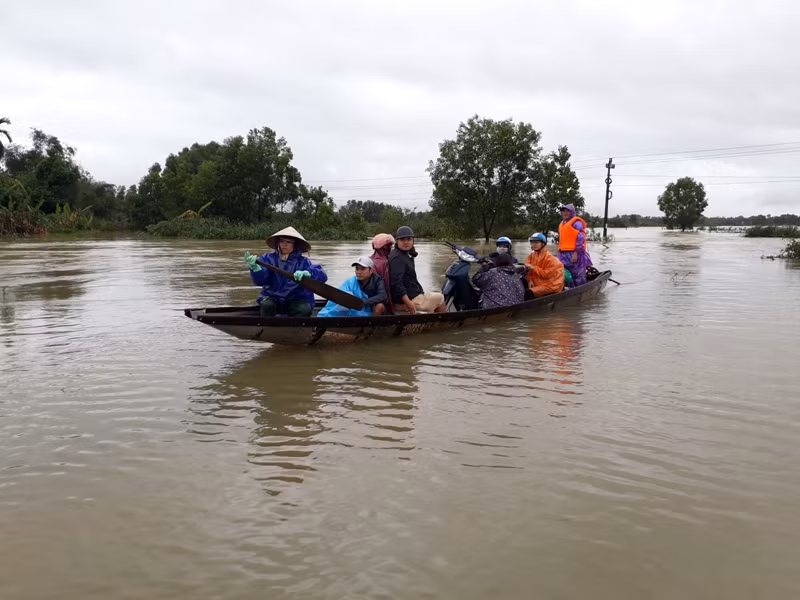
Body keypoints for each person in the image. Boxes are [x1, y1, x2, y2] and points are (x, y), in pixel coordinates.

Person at [243, 226, 327, 317]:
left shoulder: (303, 261)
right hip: (273, 298)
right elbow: (260, 281)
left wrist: (309, 273)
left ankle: (297, 330)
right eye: (282, 241)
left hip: (297, 300)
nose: (284, 245)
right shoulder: (267, 258)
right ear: (278, 243)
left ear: (295, 245)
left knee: (304, 309)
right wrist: (255, 268)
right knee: (267, 305)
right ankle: (268, 328)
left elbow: (322, 276)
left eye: (288, 242)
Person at [388, 225, 446, 314]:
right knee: (440, 298)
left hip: (412, 294)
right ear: (397, 241)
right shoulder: (398, 258)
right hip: (409, 299)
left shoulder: (404, 254)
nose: (406, 242)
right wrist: (408, 303)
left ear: (413, 240)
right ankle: (443, 324)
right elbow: (396, 283)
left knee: (431, 297)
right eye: (402, 239)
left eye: (409, 239)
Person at [318, 256, 387, 317]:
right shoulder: (351, 282)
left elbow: (383, 295)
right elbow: (339, 295)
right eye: (357, 269)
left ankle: (372, 326)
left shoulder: (378, 280)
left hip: (370, 306)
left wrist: (364, 302)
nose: (359, 272)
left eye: (362, 269)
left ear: (371, 270)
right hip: (355, 308)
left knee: (379, 306)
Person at [558, 204, 593, 287]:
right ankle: (569, 289)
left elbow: (581, 238)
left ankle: (581, 290)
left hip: (575, 253)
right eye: (563, 211)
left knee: (578, 276)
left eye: (567, 211)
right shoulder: (562, 224)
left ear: (572, 212)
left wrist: (576, 253)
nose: (565, 213)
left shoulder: (577, 223)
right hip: (563, 254)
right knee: (565, 275)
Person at [524, 233, 565, 297]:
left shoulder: (550, 259)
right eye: (532, 242)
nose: (534, 245)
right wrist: (530, 280)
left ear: (543, 243)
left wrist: (533, 268)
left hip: (551, 284)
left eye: (536, 242)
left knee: (528, 293)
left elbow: (546, 274)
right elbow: (528, 272)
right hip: (537, 281)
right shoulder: (530, 256)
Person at [369, 233, 395, 313]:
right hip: (381, 300)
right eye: (389, 246)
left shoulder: (368, 260)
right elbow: (387, 286)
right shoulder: (386, 263)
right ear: (385, 247)